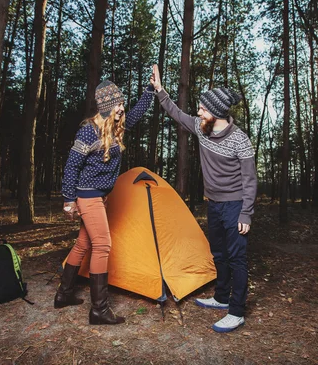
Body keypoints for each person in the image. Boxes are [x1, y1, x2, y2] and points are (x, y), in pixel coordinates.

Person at [150, 64, 257, 333]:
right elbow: (176, 113)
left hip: (235, 205)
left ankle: (237, 311)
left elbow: (250, 180)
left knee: (236, 258)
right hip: (213, 203)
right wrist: (160, 90)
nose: (198, 113)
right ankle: (222, 297)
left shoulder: (240, 140)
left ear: (217, 114)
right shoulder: (201, 128)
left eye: (203, 109)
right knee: (218, 252)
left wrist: (246, 213)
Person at [55, 80, 154, 325]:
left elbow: (138, 112)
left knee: (83, 244)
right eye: (117, 104)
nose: (122, 108)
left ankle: (63, 295)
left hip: (100, 196)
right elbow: (71, 166)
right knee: (102, 245)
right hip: (87, 196)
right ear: (105, 107)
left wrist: (150, 90)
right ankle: (99, 310)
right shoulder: (89, 131)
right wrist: (68, 199)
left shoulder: (116, 126)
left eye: (122, 103)